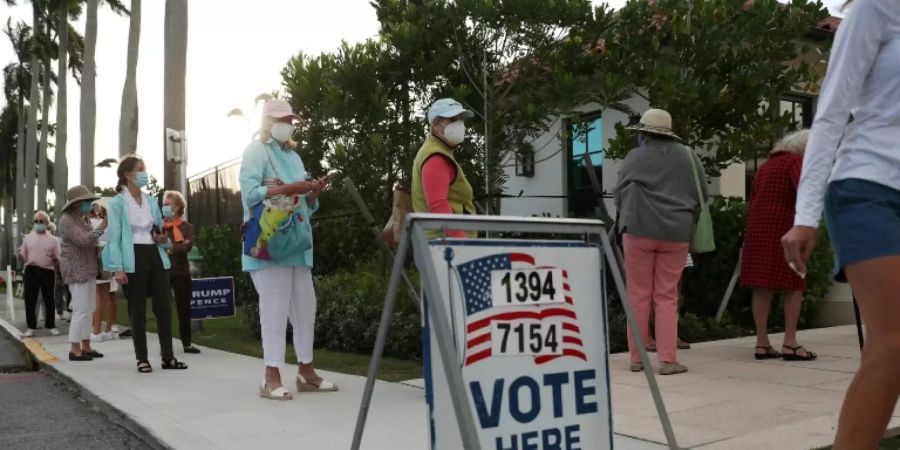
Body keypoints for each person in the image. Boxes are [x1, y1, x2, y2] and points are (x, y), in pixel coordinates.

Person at [782, 0, 900, 447]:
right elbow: (830, 113)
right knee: (894, 344)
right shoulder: (877, 8)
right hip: (867, 187)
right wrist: (804, 216)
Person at [240, 99, 334, 400]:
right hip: (268, 245)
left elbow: (304, 208)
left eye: (291, 120)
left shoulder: (294, 155)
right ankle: (271, 376)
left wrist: (312, 193)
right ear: (267, 122)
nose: (288, 125)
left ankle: (306, 372)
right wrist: (287, 189)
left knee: (306, 310)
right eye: (282, 119)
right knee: (275, 311)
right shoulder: (256, 150)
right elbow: (250, 195)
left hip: (296, 244)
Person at [615, 108, 707, 376]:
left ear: (644, 132)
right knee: (667, 296)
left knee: (637, 295)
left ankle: (637, 358)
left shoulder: (634, 157)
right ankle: (667, 360)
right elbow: (702, 193)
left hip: (638, 229)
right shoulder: (689, 156)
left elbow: (619, 195)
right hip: (677, 233)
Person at [103, 154, 188, 374]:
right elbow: (114, 237)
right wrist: (118, 268)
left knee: (163, 307)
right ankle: (142, 358)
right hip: (133, 257)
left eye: (145, 168)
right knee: (137, 309)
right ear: (128, 175)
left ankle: (168, 357)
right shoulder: (117, 203)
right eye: (140, 169)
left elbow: (160, 230)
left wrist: (162, 238)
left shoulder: (151, 200)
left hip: (154, 254)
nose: (144, 173)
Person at [741, 130, 816, 361]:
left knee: (761, 286)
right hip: (786, 228)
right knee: (794, 282)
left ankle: (762, 343)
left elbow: (752, 200)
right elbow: (805, 191)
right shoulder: (796, 162)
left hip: (758, 229)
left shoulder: (765, 167)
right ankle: (790, 343)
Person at [411, 98, 477, 238]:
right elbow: (438, 205)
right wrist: (462, 244)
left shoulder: (438, 151)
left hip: (442, 245)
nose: (459, 124)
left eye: (461, 120)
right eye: (452, 119)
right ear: (435, 124)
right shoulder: (436, 157)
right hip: (445, 247)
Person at [58, 186, 106, 361]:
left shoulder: (82, 218)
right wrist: (103, 226)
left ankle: (86, 345)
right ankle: (74, 348)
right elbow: (84, 240)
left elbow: (90, 239)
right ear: (76, 203)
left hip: (88, 267)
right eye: (87, 201)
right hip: (76, 269)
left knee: (88, 308)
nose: (90, 204)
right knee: (80, 308)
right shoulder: (67, 220)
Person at [162, 190, 199, 354]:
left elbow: (187, 246)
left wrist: (170, 247)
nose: (164, 207)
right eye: (164, 204)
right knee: (163, 310)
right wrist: (177, 246)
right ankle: (166, 345)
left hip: (181, 272)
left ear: (177, 207)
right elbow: (157, 245)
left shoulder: (188, 227)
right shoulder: (160, 226)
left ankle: (187, 343)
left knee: (184, 309)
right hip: (162, 272)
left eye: (167, 204)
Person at [17, 211, 61, 337]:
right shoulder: (28, 238)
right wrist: (19, 256)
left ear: (47, 223)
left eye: (41, 221)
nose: (38, 223)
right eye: (36, 221)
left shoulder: (53, 240)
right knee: (30, 300)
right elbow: (23, 256)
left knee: (49, 300)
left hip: (47, 271)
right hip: (31, 270)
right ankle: (30, 327)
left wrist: (56, 260)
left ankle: (51, 325)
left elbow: (58, 257)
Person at [91, 204, 118, 342]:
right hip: (109, 256)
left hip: (96, 257)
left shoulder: (90, 223)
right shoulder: (108, 224)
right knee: (107, 295)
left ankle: (96, 331)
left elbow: (88, 239)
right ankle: (109, 329)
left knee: (96, 294)